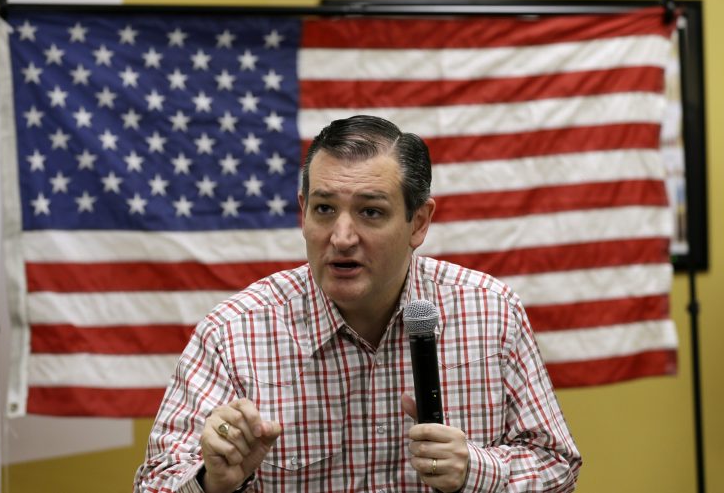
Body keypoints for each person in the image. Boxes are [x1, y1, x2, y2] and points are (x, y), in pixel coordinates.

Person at [134, 115, 582, 492]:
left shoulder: (490, 311)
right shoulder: (233, 333)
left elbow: (557, 462)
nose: (342, 237)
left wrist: (478, 471)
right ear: (303, 212)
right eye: (325, 209)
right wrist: (213, 482)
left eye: (370, 212)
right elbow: (154, 481)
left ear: (418, 223)